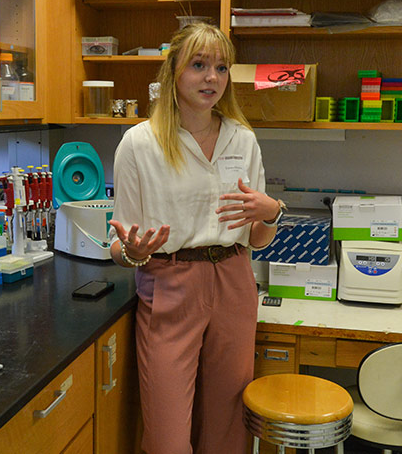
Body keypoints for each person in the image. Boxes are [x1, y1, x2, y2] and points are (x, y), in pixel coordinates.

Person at [108, 22, 285, 454]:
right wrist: (132, 252)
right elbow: (119, 245)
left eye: (222, 68)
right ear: (173, 73)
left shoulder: (242, 140)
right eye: (199, 65)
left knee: (226, 426)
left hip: (233, 279)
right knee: (167, 435)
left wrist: (273, 214)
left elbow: (257, 239)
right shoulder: (139, 144)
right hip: (170, 283)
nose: (212, 78)